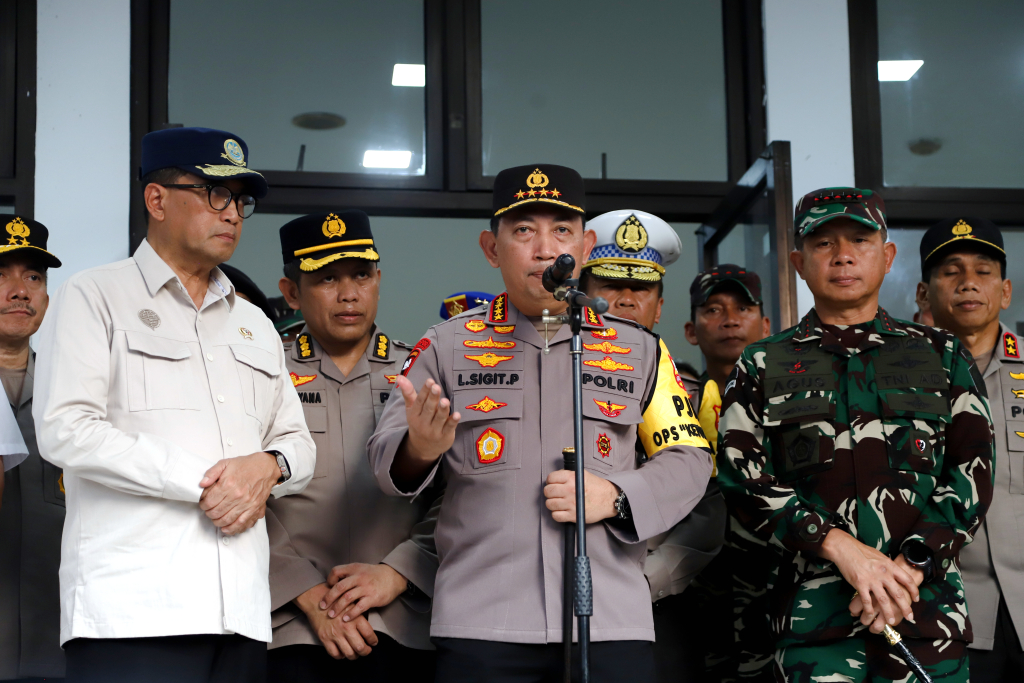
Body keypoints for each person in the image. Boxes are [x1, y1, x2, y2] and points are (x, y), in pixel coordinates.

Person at [367, 164, 714, 683]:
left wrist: (617, 498)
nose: (545, 249)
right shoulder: (446, 345)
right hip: (483, 625)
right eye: (524, 231)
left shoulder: (641, 349)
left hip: (610, 622)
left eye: (562, 231)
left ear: (586, 243)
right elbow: (384, 457)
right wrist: (421, 446)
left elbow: (690, 459)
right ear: (492, 247)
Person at [32, 127, 316, 683]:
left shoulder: (253, 322)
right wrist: (207, 483)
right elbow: (65, 429)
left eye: (240, 199)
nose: (232, 212)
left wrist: (269, 467)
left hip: (240, 613)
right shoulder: (95, 296)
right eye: (215, 193)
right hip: (130, 614)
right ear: (156, 199)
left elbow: (297, 444)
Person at [717, 187, 994, 682]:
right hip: (813, 625)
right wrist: (842, 548)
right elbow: (743, 479)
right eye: (823, 244)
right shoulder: (762, 363)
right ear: (800, 263)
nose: (843, 255)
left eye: (860, 240)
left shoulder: (942, 354)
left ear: (887, 257)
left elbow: (973, 470)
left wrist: (908, 567)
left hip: (926, 616)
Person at [266, 210, 441, 682]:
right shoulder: (261, 375)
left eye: (361, 275)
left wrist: (397, 573)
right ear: (291, 292)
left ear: (378, 279)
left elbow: (461, 492)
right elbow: (235, 494)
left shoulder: (420, 371)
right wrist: (306, 593)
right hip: (287, 626)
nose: (349, 294)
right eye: (326, 279)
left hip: (402, 623)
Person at [579, 209, 726, 683]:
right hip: (557, 602)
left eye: (640, 288)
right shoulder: (554, 378)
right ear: (584, 293)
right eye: (609, 286)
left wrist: (644, 583)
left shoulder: (696, 395)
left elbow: (708, 509)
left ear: (659, 307)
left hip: (658, 602)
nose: (624, 299)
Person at [917, 217, 1021, 682]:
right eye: (951, 271)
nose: (968, 284)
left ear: (1005, 291)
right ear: (923, 294)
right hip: (943, 612)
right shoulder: (894, 380)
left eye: (983, 271)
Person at [684, 265, 774, 682]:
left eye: (744, 308)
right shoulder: (672, 402)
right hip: (697, 594)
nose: (731, 319)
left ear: (766, 324)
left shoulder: (795, 405)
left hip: (774, 592)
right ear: (691, 329)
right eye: (714, 309)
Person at [0, 215, 64, 680]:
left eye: (33, 277)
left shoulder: (74, 395)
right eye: (0, 276)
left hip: (60, 637)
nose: (20, 290)